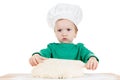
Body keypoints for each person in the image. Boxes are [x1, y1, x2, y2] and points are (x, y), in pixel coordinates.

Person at [29, 3, 99, 70]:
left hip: (75, 77)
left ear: (75, 33)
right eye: (59, 30)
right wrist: (36, 56)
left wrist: (92, 58)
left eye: (68, 29)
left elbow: (88, 54)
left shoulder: (79, 48)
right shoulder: (52, 48)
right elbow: (41, 54)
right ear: (55, 33)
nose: (64, 33)